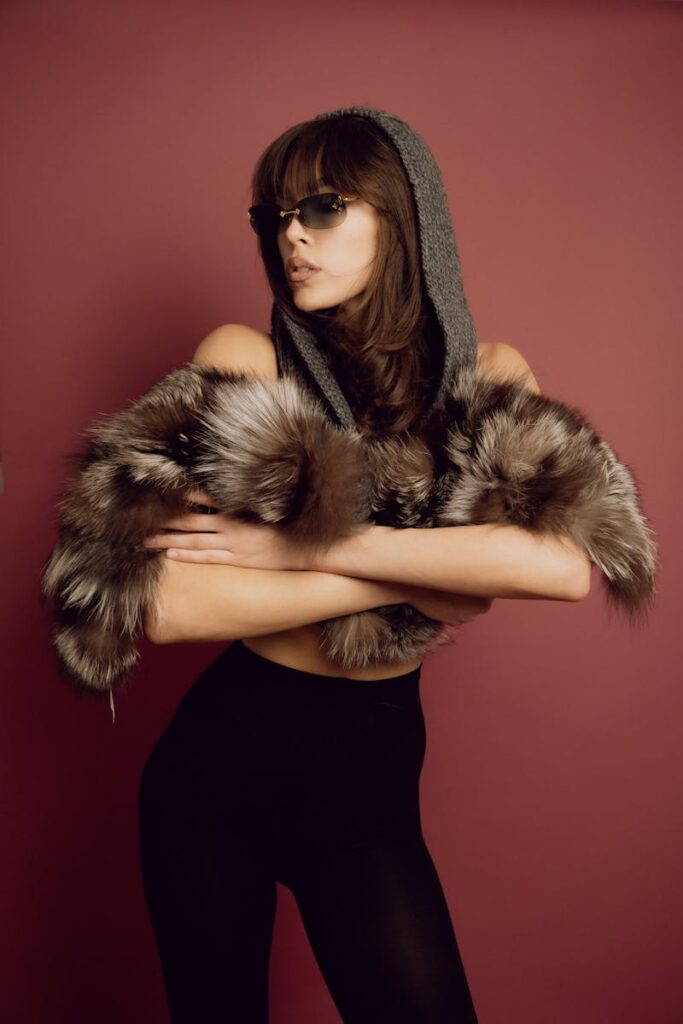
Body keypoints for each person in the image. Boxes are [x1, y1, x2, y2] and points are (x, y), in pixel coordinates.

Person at [137, 107, 581, 1023]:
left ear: (402, 213)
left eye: (323, 207)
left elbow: (561, 565)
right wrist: (442, 575)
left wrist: (307, 546)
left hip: (370, 790)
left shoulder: (487, 379)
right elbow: (168, 607)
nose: (289, 235)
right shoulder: (243, 359)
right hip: (219, 775)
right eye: (273, 217)